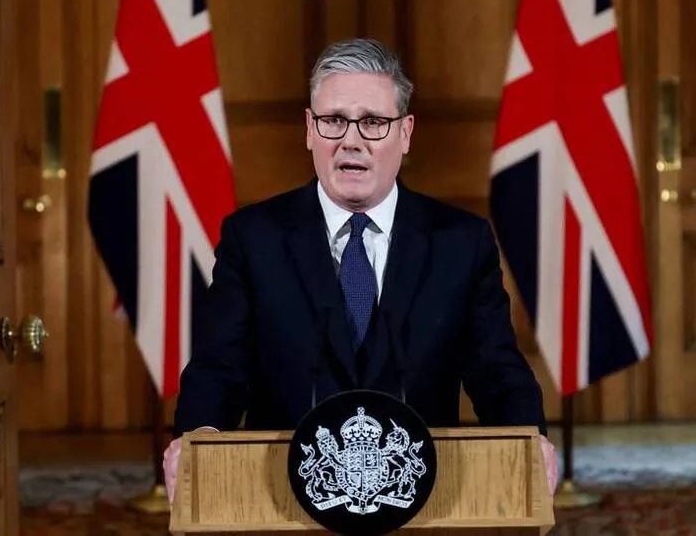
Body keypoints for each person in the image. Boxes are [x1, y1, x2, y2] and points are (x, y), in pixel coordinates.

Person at [163, 37, 558, 500]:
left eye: (372, 122)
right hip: (279, 494)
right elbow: (219, 367)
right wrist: (199, 438)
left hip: (423, 494)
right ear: (309, 129)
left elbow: (496, 370)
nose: (351, 141)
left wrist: (528, 439)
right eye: (333, 121)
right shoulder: (253, 239)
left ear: (405, 133)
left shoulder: (460, 243)